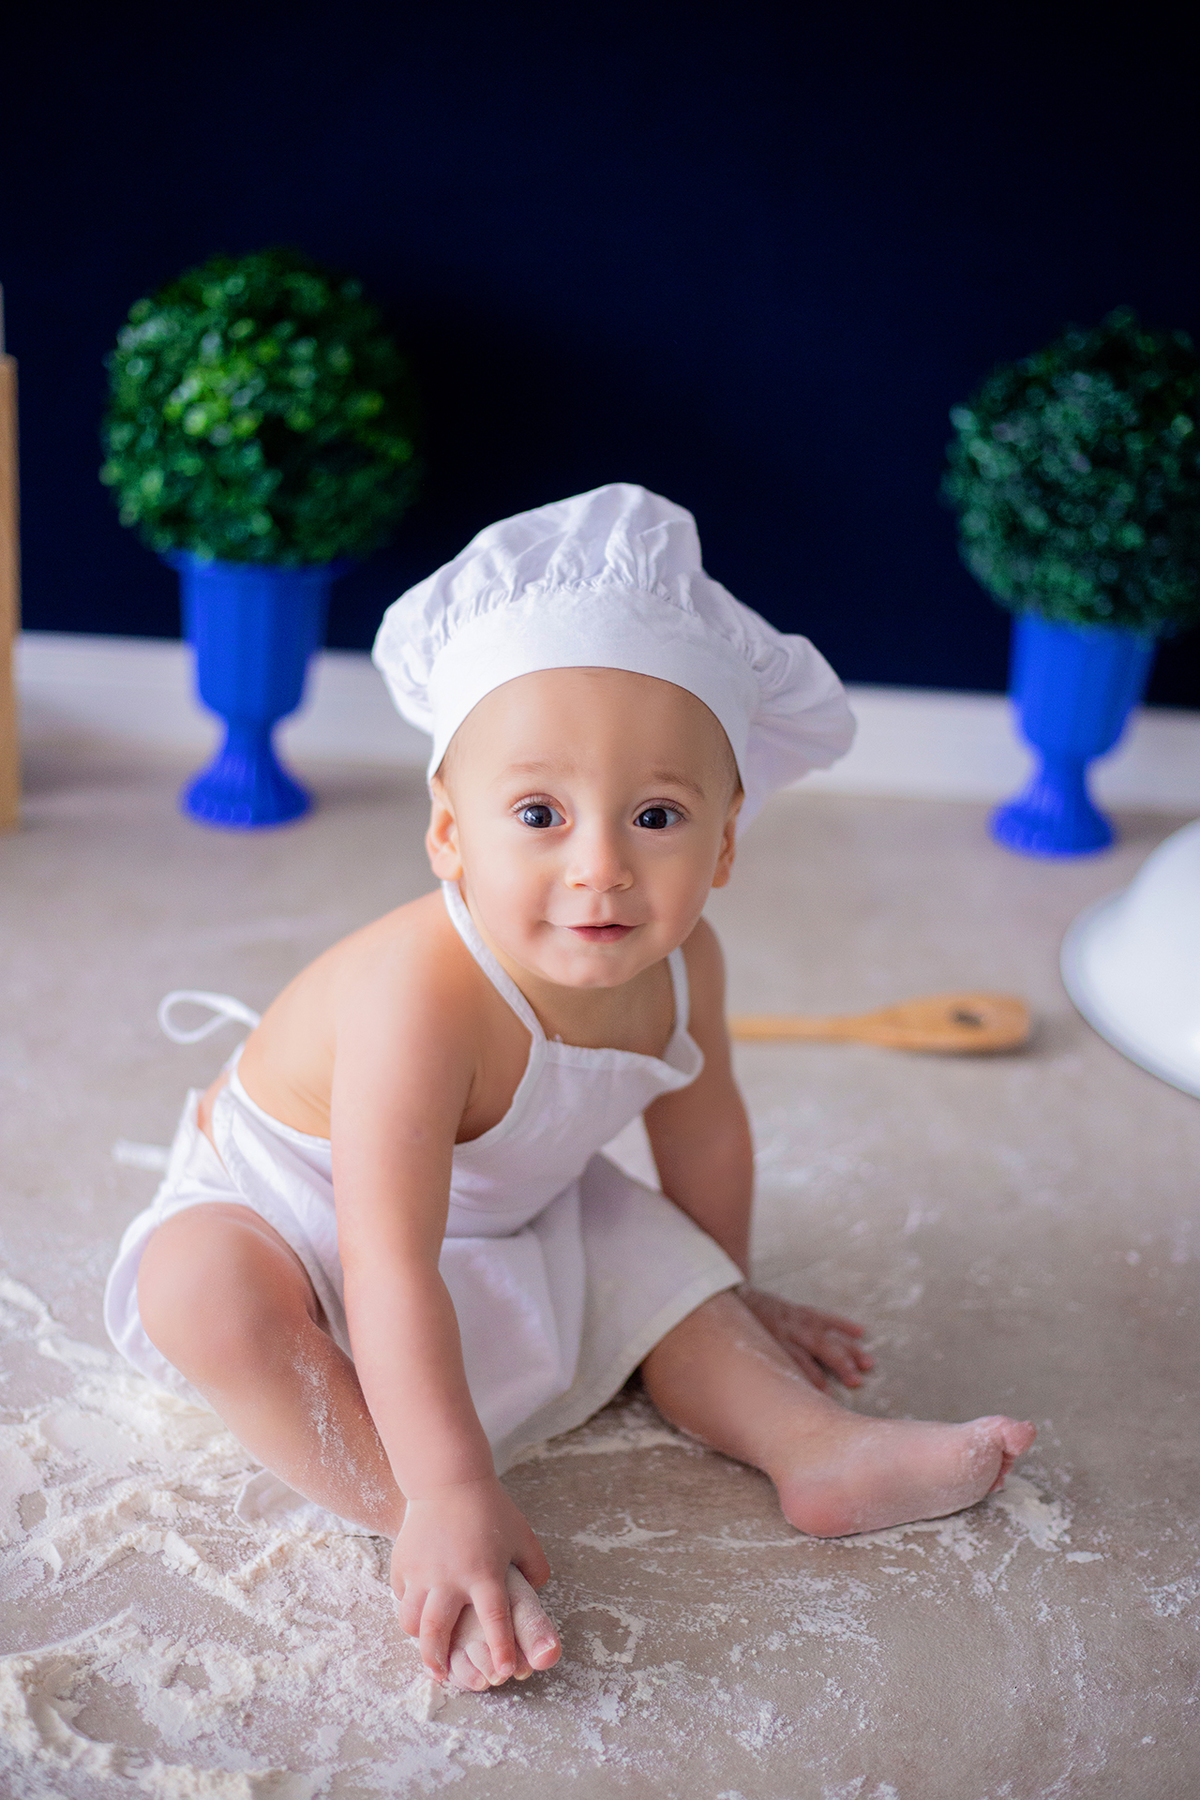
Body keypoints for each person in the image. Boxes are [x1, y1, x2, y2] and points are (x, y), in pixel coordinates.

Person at [104, 484, 1035, 1693]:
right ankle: (428, 1521)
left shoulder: (688, 963)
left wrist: (726, 1292)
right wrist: (450, 1482)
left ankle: (815, 1447)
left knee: (651, 1255)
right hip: (307, 1216)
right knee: (202, 1292)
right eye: (539, 813)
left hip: (510, 1201)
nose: (600, 867)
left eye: (656, 815)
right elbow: (384, 1259)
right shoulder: (419, 996)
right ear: (450, 834)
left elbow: (708, 1135)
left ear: (726, 843)